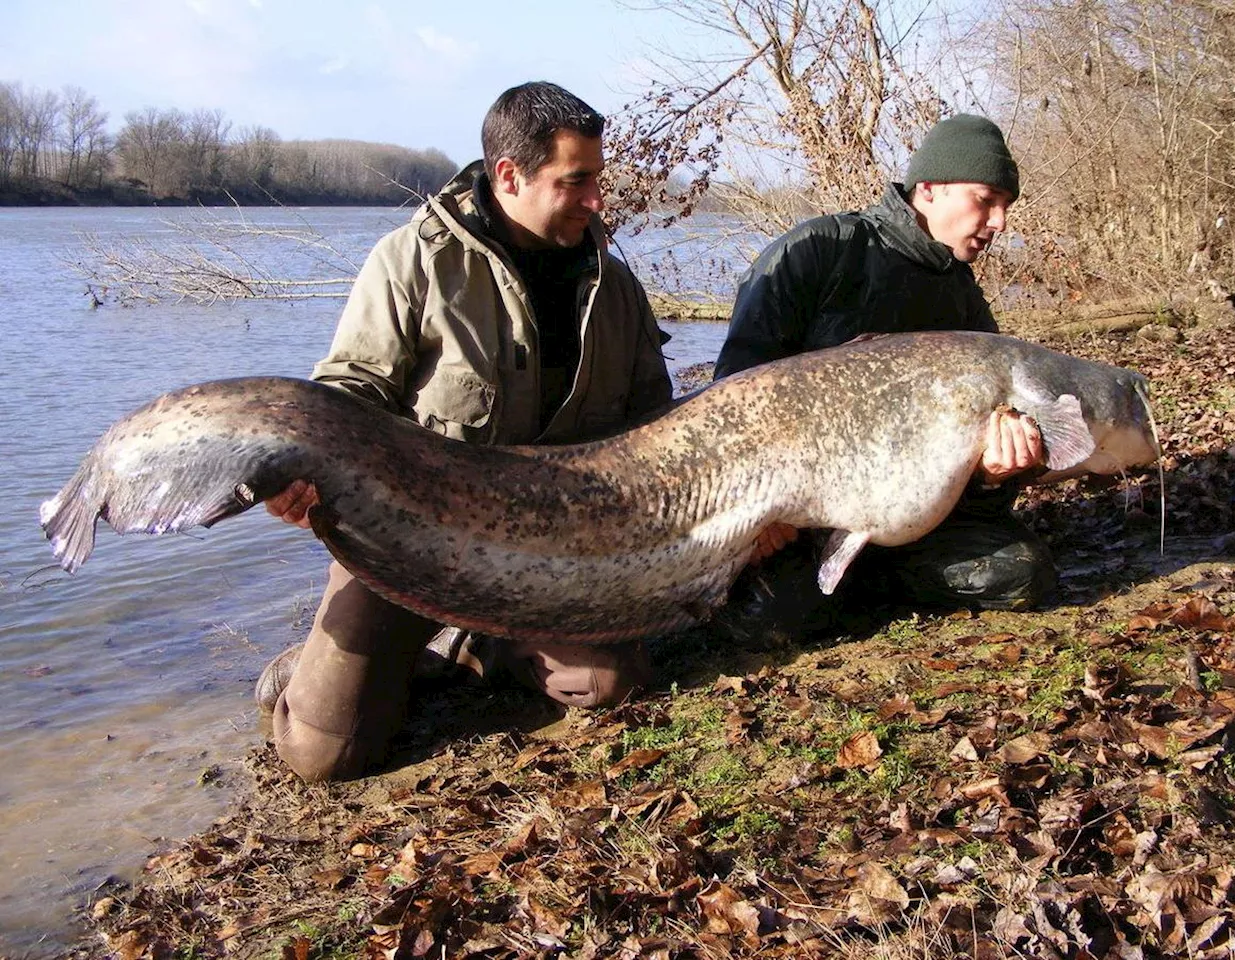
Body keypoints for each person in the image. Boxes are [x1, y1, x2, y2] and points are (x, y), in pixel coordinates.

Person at [254, 82, 673, 782]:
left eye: (598, 178)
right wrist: (300, 475)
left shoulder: (615, 287)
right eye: (577, 181)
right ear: (509, 176)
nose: (598, 199)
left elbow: (657, 426)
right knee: (322, 755)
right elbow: (347, 395)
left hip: (554, 557)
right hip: (405, 550)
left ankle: (473, 645)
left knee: (607, 689)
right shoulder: (411, 261)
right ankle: (316, 666)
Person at [714, 114, 1056, 637]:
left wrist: (992, 476)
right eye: (986, 199)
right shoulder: (822, 248)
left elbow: (971, 469)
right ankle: (837, 581)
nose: (1000, 222)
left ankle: (868, 577)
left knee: (1024, 576)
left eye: (1006, 206)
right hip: (798, 514)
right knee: (768, 623)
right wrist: (757, 514)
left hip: (913, 518)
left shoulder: (965, 304)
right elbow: (730, 399)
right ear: (930, 188)